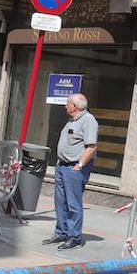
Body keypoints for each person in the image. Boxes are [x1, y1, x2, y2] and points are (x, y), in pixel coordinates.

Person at [43, 92, 99, 251]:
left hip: (74, 168)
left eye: (67, 103)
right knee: (60, 202)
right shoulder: (72, 120)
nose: (65, 105)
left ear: (74, 107)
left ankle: (74, 237)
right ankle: (61, 232)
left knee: (73, 204)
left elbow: (91, 146)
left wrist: (79, 165)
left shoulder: (88, 120)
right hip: (63, 166)